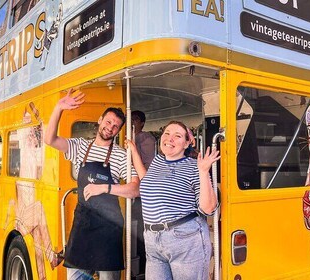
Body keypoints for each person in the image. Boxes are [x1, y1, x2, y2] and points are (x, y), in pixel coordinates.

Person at [44, 89, 140, 280]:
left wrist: (105, 187)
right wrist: (58, 108)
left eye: (115, 126)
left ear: (118, 131)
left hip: (109, 229)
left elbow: (135, 189)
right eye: (108, 122)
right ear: (100, 120)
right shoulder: (80, 146)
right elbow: (50, 139)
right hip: (83, 226)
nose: (110, 127)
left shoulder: (121, 155)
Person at [126, 120, 220, 280]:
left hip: (184, 239)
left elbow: (209, 208)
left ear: (186, 144)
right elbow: (145, 178)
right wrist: (134, 151)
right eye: (167, 134)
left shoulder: (194, 166)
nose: (170, 139)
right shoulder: (157, 161)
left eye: (177, 136)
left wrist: (204, 172)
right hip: (152, 239)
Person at [131, 110, 156, 277]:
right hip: (133, 191)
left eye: (136, 120)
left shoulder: (147, 139)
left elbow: (143, 164)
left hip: (142, 192)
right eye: (131, 119)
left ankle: (142, 268)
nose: (133, 122)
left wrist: (133, 145)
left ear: (142, 123)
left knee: (140, 230)